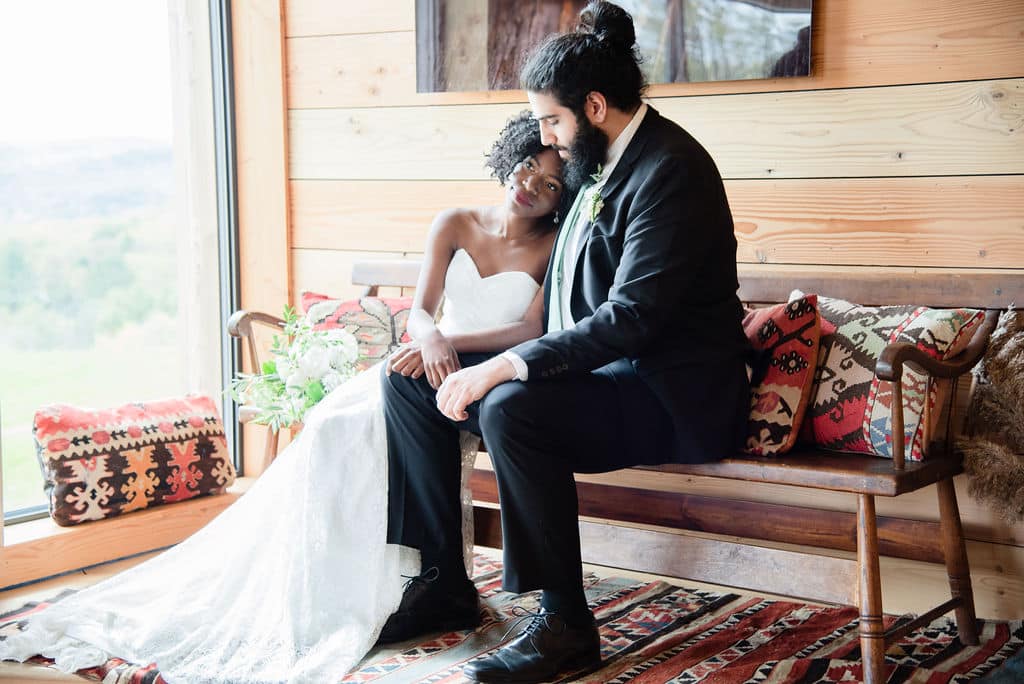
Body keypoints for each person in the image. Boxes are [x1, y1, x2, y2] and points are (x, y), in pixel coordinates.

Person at [0, 111, 570, 684]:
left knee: (375, 416)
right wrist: (429, 337)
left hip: (483, 370)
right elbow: (421, 312)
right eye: (527, 166)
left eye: (550, 184)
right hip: (424, 358)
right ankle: (340, 584)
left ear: (561, 199)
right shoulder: (455, 222)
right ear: (510, 157)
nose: (531, 186)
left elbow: (530, 329)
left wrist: (447, 343)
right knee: (332, 425)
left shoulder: (552, 245)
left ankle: (429, 582)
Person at [380, 2, 750, 683]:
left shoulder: (671, 170)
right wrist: (477, 349)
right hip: (601, 375)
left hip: (665, 392)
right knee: (407, 381)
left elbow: (631, 318)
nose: (543, 135)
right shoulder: (597, 163)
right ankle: (443, 581)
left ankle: (565, 627)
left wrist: (506, 367)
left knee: (512, 409)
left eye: (551, 120)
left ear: (595, 106)